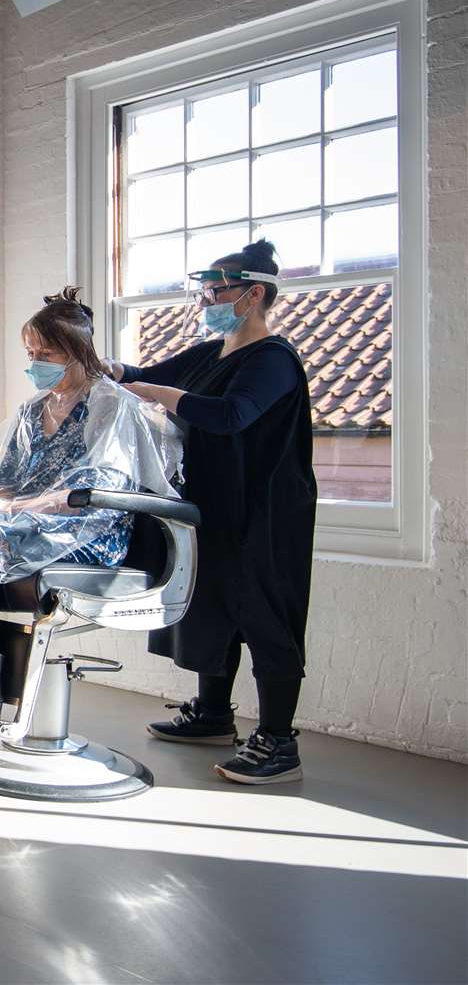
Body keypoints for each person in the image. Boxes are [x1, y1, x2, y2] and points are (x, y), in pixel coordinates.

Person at [0, 288, 181, 716]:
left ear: (78, 351)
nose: (35, 362)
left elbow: (93, 492)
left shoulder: (110, 406)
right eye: (30, 351)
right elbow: (5, 481)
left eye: (47, 353)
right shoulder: (32, 411)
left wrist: (12, 509)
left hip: (86, 532)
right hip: (24, 524)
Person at [109, 240, 317, 785]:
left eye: (216, 290)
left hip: (266, 514)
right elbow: (142, 371)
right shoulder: (212, 352)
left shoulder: (273, 360)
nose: (206, 300)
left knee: (266, 616)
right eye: (204, 290)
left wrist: (151, 389)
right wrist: (106, 367)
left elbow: (230, 416)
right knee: (212, 606)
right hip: (213, 507)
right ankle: (213, 715)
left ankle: (277, 742)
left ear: (253, 294)